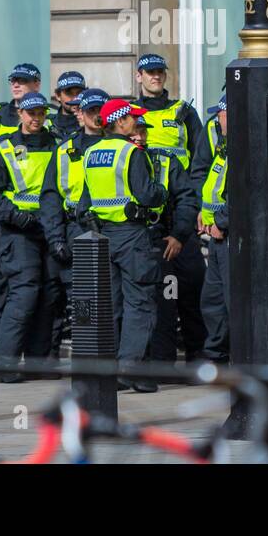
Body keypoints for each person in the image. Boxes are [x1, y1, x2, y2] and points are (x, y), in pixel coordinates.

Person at [77, 98, 168, 392]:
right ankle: (129, 369)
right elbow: (147, 195)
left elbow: (82, 204)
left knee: (111, 305)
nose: (136, 123)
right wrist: (161, 190)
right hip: (132, 235)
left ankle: (114, 371)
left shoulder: (91, 153)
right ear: (119, 121)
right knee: (140, 303)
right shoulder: (131, 153)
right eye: (131, 118)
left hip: (102, 236)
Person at [0, 91, 60, 383]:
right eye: (31, 113)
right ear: (20, 114)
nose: (36, 118)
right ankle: (7, 363)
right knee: (24, 292)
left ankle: (38, 363)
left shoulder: (58, 144)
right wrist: (19, 217)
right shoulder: (0, 148)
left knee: (49, 295)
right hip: (18, 230)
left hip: (50, 228)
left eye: (41, 113)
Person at [130, 115, 206, 366]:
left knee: (189, 294)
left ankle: (196, 360)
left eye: (143, 132)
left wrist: (179, 235)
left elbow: (187, 198)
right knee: (159, 304)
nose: (140, 137)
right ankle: (159, 363)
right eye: (135, 132)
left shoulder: (164, 160)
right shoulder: (120, 161)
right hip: (139, 243)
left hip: (173, 239)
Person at [39, 87, 109, 359]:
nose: (96, 117)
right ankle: (86, 362)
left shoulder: (119, 145)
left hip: (111, 231)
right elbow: (51, 197)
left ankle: (108, 362)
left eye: (100, 111)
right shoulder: (65, 150)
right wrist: (56, 238)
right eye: (90, 111)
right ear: (80, 114)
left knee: (110, 299)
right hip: (75, 232)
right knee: (80, 301)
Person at [197, 94, 230, 364]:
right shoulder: (225, 147)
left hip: (231, 236)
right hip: (216, 236)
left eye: (220, 114)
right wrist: (204, 214)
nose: (217, 119)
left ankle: (236, 357)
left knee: (231, 300)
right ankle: (215, 357)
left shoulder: (245, 147)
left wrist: (221, 222)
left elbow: (247, 189)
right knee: (213, 300)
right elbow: (213, 188)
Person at [0, 63, 52, 170]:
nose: (15, 85)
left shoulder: (47, 120)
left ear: (37, 85)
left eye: (22, 81)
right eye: (13, 80)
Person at [133, 53, 204, 171]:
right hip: (143, 181)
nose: (156, 76)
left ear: (165, 76)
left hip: (180, 183)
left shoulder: (183, 110)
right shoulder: (128, 112)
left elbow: (200, 153)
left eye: (160, 71)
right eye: (151, 72)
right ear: (139, 77)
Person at [51, 71, 87, 137]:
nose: (75, 98)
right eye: (69, 93)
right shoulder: (47, 124)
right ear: (58, 95)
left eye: (79, 93)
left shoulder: (92, 123)